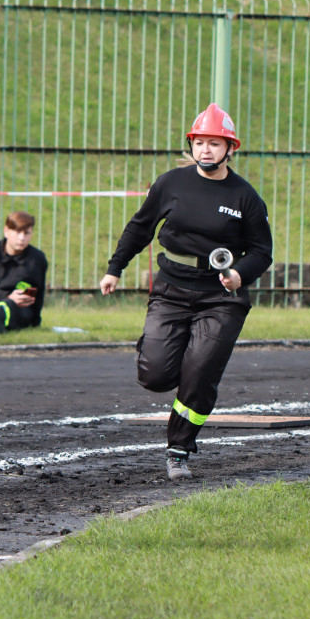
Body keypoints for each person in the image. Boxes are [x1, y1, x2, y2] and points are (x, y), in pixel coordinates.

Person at [99, 103, 273, 481]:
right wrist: (115, 268)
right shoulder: (170, 183)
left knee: (199, 372)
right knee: (156, 376)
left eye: (215, 143)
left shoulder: (245, 197)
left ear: (231, 149)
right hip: (171, 289)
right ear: (191, 145)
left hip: (220, 299)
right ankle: (154, 351)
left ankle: (179, 450)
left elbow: (262, 251)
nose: (206, 150)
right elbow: (140, 227)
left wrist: (239, 275)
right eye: (200, 142)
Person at [0, 211, 48, 332]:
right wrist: (7, 297)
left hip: (19, 310)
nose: (22, 238)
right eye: (17, 232)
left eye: (26, 233)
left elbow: (39, 295)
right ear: (6, 231)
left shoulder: (37, 259)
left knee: (13, 309)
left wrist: (35, 323)